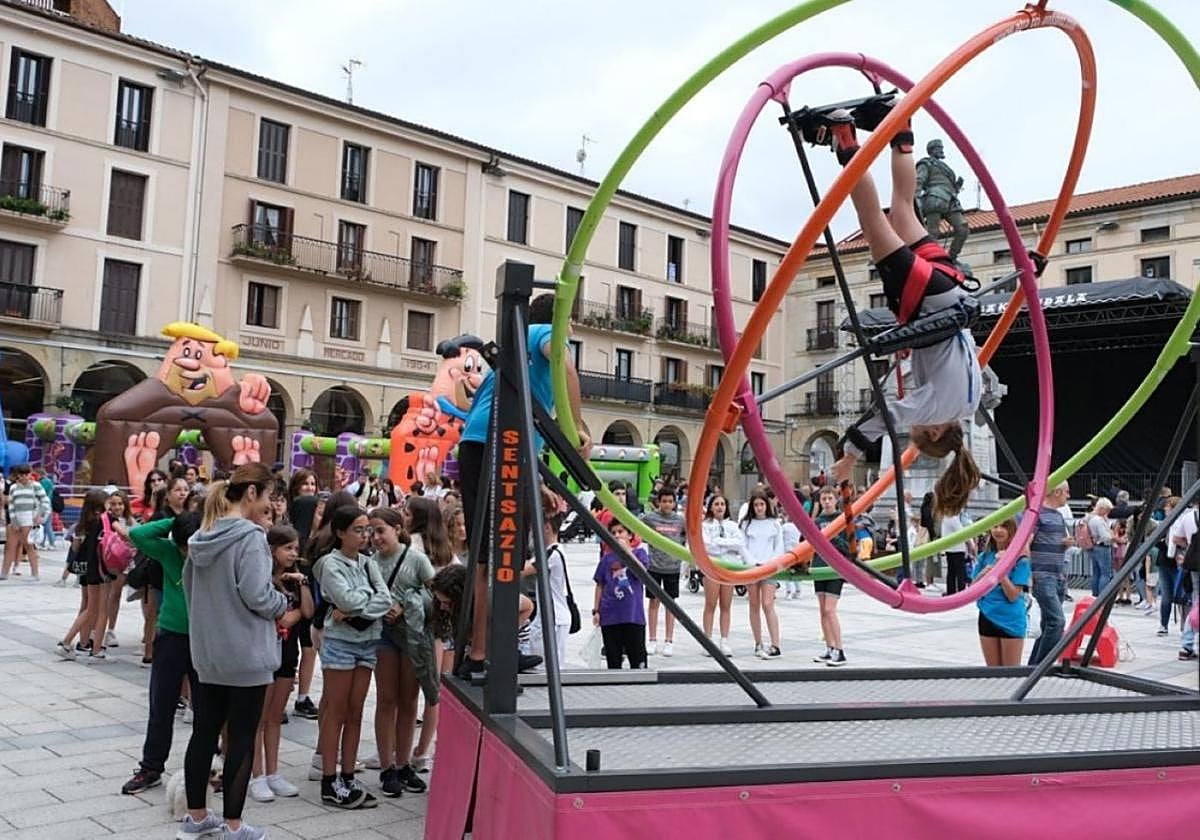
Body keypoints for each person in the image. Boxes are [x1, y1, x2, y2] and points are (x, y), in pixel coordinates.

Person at [821, 103, 982, 517]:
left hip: (951, 289)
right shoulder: (936, 410)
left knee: (903, 208)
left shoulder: (968, 403)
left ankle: (903, 128)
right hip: (924, 300)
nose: (916, 424)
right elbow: (887, 415)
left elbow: (946, 358)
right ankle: (846, 137)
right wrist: (851, 456)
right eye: (918, 432)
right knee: (872, 218)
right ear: (934, 431)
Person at [458, 292, 590, 677]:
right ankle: (487, 652)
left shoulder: (517, 345)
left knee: (490, 555)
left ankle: (484, 650)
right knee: (502, 555)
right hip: (502, 442)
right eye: (571, 322)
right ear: (562, 319)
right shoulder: (545, 332)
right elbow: (565, 366)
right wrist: (577, 428)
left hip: (483, 442)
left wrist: (536, 482)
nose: (572, 329)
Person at [179, 464, 289, 840]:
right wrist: (281, 602)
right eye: (268, 495)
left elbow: (189, 590)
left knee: (204, 733)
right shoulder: (250, 537)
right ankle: (233, 825)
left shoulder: (202, 536)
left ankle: (196, 817)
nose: (269, 504)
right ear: (252, 493)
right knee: (241, 737)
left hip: (208, 652)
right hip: (246, 653)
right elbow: (258, 594)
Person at [118, 510, 202, 795]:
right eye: (183, 545)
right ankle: (151, 767)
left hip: (204, 639)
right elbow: (138, 534)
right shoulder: (168, 551)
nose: (187, 552)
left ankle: (208, 766)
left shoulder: (211, 554)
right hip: (170, 636)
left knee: (206, 709)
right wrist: (175, 523)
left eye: (191, 545)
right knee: (161, 705)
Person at [313, 504, 392, 809]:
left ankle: (347, 775)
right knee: (336, 710)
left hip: (368, 641)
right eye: (358, 530)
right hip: (340, 643)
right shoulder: (329, 564)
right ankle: (328, 779)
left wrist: (353, 609)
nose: (364, 535)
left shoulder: (369, 563)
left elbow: (385, 598)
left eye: (366, 529)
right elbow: (344, 599)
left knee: (356, 711)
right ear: (340, 532)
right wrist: (358, 604)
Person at [369, 507, 434, 798]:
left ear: (397, 529)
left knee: (409, 700)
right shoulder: (370, 563)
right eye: (371, 531)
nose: (375, 537)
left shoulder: (416, 559)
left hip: (412, 635)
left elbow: (435, 594)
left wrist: (407, 605)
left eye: (380, 530)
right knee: (386, 699)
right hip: (382, 634)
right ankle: (387, 767)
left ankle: (404, 763)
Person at [248, 525, 313, 804]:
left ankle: (273, 772)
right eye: (288, 548)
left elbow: (308, 611)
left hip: (287, 654)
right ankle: (256, 775)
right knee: (258, 718)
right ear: (272, 549)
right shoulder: (261, 577)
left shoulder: (293, 580)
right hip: (264, 653)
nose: (293, 553)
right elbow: (269, 613)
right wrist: (289, 615)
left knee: (275, 716)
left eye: (296, 548)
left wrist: (303, 583)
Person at [55, 489, 114, 659]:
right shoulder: (102, 521)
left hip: (86, 570)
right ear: (99, 507)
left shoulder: (81, 525)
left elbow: (75, 549)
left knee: (88, 607)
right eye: (108, 502)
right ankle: (69, 642)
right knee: (95, 608)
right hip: (98, 569)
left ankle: (80, 642)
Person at [970, 518, 1031, 666]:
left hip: (1011, 620)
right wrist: (982, 575)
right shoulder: (985, 557)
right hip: (987, 616)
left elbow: (1013, 596)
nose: (998, 530)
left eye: (1003, 527)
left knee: (1010, 673)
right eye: (995, 526)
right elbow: (972, 591)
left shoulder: (1021, 560)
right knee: (993, 672)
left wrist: (1000, 571)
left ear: (1012, 531)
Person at [592, 519, 648, 669]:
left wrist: (628, 552)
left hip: (633, 616)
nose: (617, 535)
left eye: (621, 532)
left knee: (638, 660)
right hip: (610, 616)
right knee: (613, 661)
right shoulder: (606, 559)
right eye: (613, 533)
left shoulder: (639, 553)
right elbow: (600, 584)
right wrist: (596, 610)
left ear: (630, 535)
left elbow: (642, 573)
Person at [1026, 481, 1072, 665]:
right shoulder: (1036, 514)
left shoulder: (1058, 516)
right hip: (1043, 576)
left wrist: (1064, 544)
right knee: (1056, 622)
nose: (1069, 496)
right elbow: (1026, 543)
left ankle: (1033, 667)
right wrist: (1029, 575)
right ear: (1057, 492)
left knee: (1048, 624)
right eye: (1067, 492)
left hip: (1058, 576)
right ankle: (1040, 667)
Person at [639, 487, 686, 656]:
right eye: (664, 501)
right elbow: (637, 529)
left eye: (670, 501)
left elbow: (687, 536)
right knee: (653, 603)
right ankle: (652, 639)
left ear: (674, 503)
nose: (667, 504)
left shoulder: (680, 520)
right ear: (659, 502)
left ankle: (669, 640)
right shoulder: (650, 518)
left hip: (672, 568)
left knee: (670, 604)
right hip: (654, 567)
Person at [741, 489, 783, 659]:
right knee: (754, 605)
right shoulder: (746, 524)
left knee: (767, 604)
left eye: (762, 504)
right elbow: (742, 546)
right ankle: (758, 643)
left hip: (769, 568)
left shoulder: (775, 524)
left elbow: (779, 546)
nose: (759, 508)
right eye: (756, 505)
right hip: (752, 568)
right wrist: (752, 563)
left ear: (767, 505)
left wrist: (771, 563)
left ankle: (775, 644)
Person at [810, 486, 849, 666]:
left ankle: (840, 650)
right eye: (824, 499)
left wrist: (831, 535)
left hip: (835, 568)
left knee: (829, 609)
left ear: (836, 500)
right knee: (822, 610)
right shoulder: (817, 521)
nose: (826, 502)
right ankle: (829, 647)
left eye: (829, 498)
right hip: (819, 566)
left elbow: (847, 546)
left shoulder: (842, 519)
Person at [700, 494, 741, 656]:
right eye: (716, 504)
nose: (720, 507)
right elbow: (707, 546)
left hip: (728, 568)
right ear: (711, 507)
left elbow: (738, 544)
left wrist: (720, 542)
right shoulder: (705, 525)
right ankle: (708, 640)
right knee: (710, 604)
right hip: (712, 567)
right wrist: (725, 546)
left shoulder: (732, 525)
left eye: (722, 504)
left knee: (726, 605)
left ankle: (724, 640)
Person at [1, 464, 49, 580]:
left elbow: (45, 501)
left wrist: (40, 515)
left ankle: (35, 573)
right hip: (16, 518)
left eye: (26, 474)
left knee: (29, 545)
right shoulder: (13, 487)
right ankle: (4, 572)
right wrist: (13, 520)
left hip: (29, 518)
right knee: (10, 546)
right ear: (18, 475)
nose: (24, 477)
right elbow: (11, 505)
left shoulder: (36, 486)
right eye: (21, 474)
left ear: (30, 474)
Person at [1155, 496, 1182, 637]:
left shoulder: (1175, 523)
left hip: (1173, 562)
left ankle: (1168, 625)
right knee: (1168, 595)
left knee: (1176, 594)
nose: (1165, 509)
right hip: (1167, 562)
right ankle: (1164, 624)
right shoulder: (1166, 523)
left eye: (1168, 506)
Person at [1088, 498, 1115, 596]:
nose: (1108, 512)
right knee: (1105, 574)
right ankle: (1102, 597)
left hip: (1094, 547)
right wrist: (1113, 537)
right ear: (1102, 508)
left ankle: (1095, 595)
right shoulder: (1099, 520)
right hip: (1103, 547)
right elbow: (1105, 537)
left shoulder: (1091, 518)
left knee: (1096, 573)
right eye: (1107, 510)